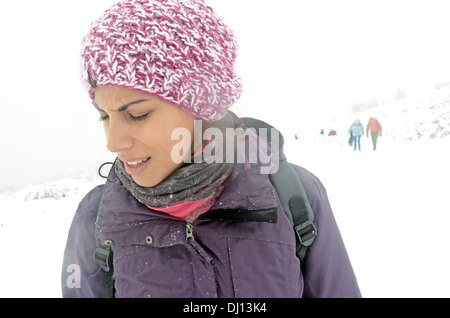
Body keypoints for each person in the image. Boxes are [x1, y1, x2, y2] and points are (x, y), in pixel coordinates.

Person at [61, 0, 361, 298]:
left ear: (200, 108)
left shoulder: (294, 197)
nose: (113, 142)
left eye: (137, 115)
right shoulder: (96, 219)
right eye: (104, 116)